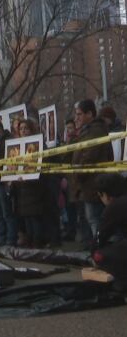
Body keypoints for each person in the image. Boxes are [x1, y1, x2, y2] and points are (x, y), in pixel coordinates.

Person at [69, 99, 113, 248]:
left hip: (93, 185)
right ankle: (96, 251)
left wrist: (76, 173)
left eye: (79, 114)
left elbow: (88, 157)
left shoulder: (95, 131)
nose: (76, 118)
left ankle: (101, 252)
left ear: (89, 113)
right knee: (91, 220)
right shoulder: (87, 131)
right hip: (88, 185)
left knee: (96, 221)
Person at [11, 119, 45, 247]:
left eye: (26, 128)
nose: (23, 131)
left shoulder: (38, 145)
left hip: (34, 187)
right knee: (27, 218)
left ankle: (37, 242)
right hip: (22, 187)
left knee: (35, 217)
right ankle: (30, 241)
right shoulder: (16, 147)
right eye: (21, 129)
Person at [92, 174, 127, 288]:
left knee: (100, 255)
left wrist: (93, 254)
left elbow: (101, 235)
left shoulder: (114, 206)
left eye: (100, 196)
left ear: (106, 195)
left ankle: (122, 282)